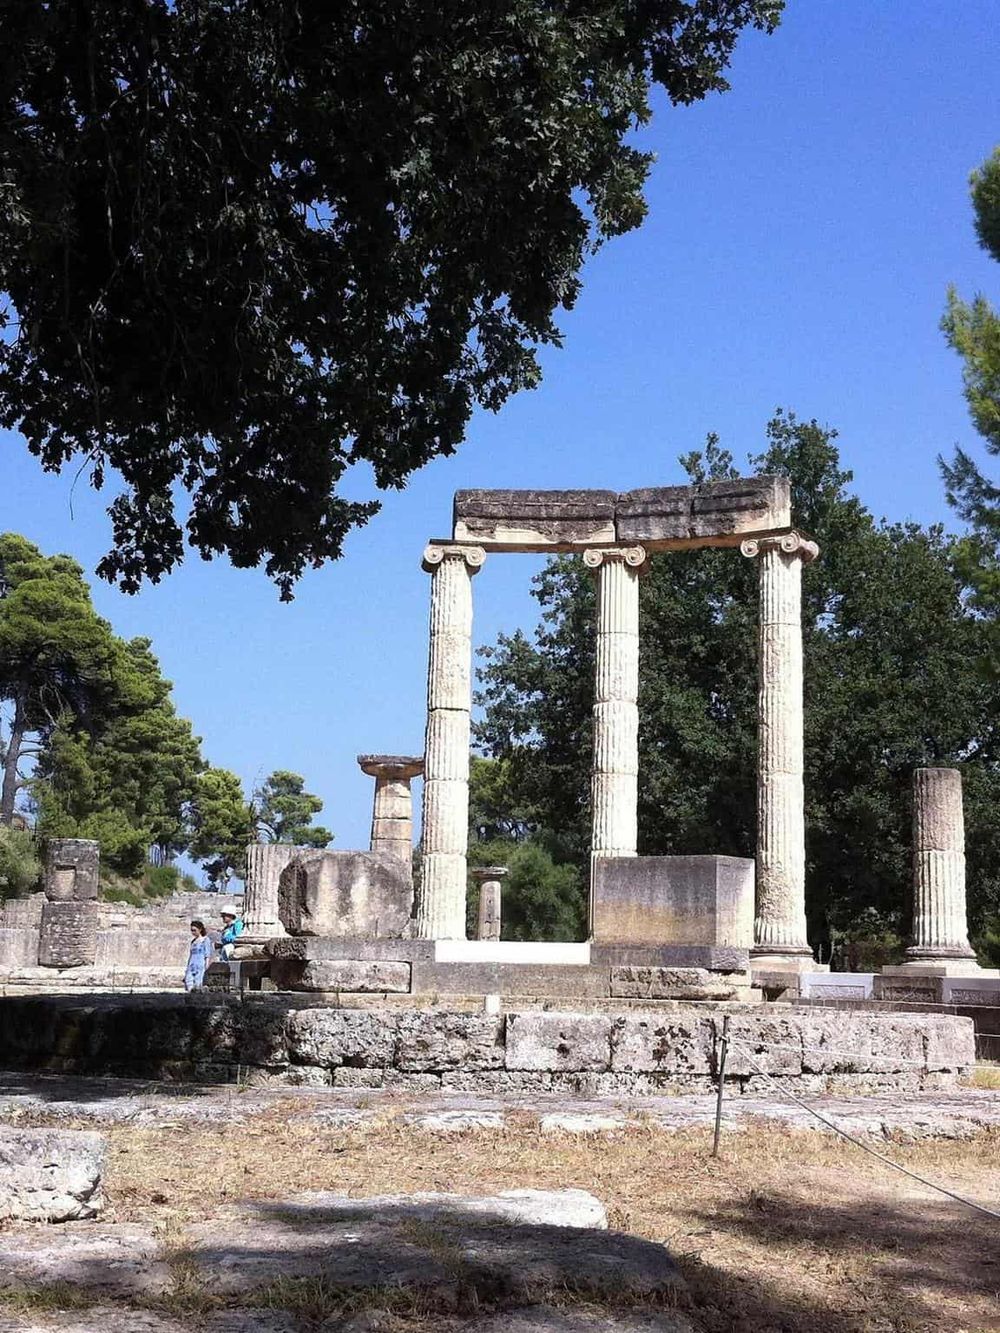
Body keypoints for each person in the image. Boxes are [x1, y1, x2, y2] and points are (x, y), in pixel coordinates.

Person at [184, 920, 214, 992]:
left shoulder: (205, 940)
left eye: (194, 930)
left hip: (200, 965)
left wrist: (206, 965)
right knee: (189, 982)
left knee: (198, 984)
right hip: (192, 965)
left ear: (200, 929)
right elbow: (191, 955)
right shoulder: (193, 942)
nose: (193, 932)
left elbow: (207, 954)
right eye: (192, 930)